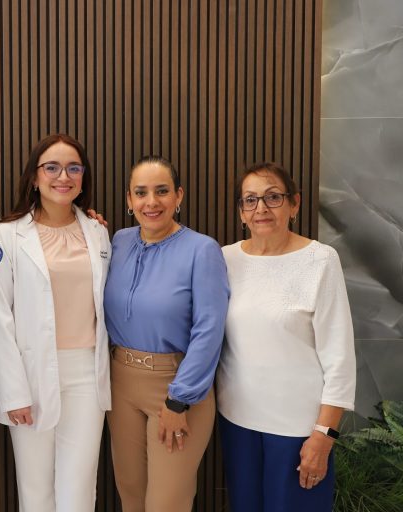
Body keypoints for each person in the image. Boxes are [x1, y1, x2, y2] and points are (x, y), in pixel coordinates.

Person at [216, 162, 356, 511]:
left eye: (273, 197)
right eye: (250, 200)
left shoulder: (320, 260)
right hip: (236, 421)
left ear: (294, 204)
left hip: (299, 430)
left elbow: (339, 358)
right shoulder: (224, 259)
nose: (261, 208)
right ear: (241, 212)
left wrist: (324, 435)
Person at [0, 134, 111, 512]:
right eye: (52, 167)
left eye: (74, 168)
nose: (63, 176)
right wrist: (13, 393)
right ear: (34, 177)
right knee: (36, 490)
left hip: (86, 373)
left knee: (79, 488)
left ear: (84, 178)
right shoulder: (8, 235)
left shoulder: (98, 232)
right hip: (31, 372)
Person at [103, 156, 229, 511]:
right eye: (141, 193)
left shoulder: (202, 250)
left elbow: (209, 329)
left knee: (166, 503)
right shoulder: (118, 242)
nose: (151, 202)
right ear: (129, 200)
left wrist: (179, 399)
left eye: (161, 191)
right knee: (130, 493)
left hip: (175, 388)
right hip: (120, 383)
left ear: (179, 196)